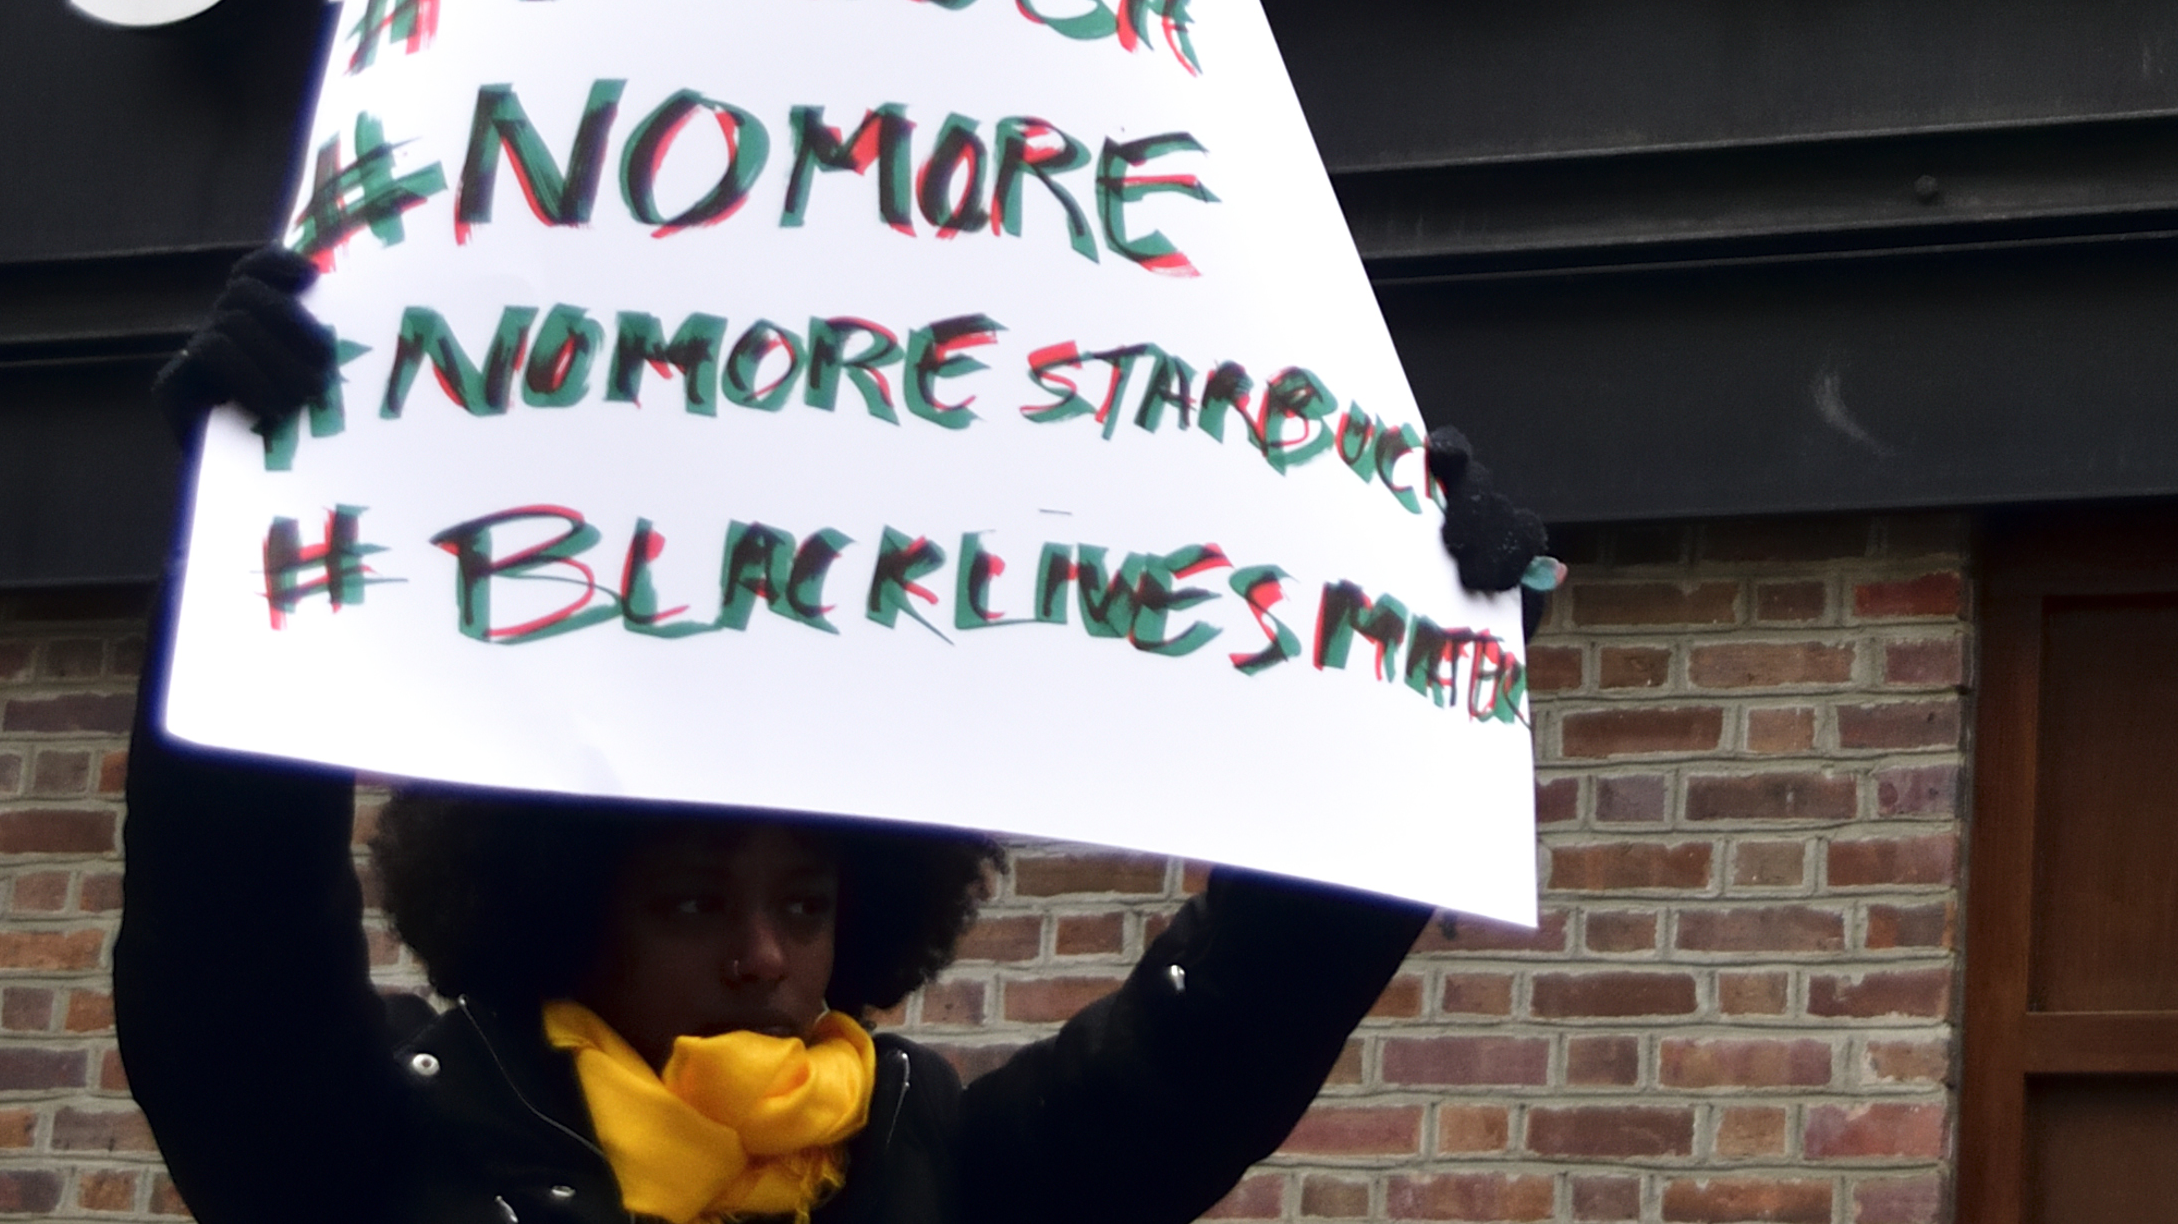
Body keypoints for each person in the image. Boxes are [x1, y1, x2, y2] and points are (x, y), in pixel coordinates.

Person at [117, 247, 1555, 1224]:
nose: (766, 956)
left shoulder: (931, 1167)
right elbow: (233, 966)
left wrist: (1414, 679)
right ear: (552, 911)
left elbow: (1220, 1042)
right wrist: (234, 558)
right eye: (692, 903)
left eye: (804, 902)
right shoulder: (389, 1149)